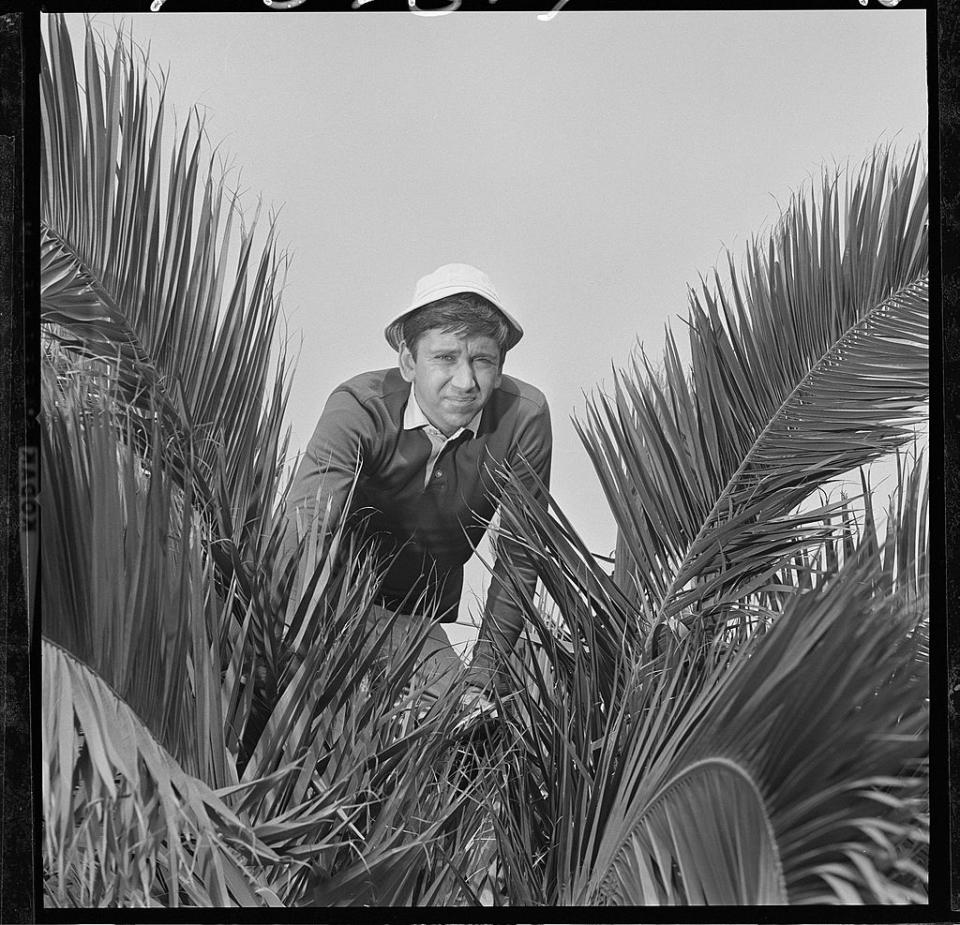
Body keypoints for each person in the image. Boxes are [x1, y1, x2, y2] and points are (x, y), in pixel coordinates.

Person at [281, 263, 552, 705]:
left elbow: (520, 556)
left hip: (414, 620)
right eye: (445, 358)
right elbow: (307, 524)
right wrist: (300, 645)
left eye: (482, 360)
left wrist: (483, 679)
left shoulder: (525, 419)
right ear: (408, 361)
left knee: (460, 732)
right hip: (327, 602)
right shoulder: (359, 406)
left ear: (500, 368)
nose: (465, 382)